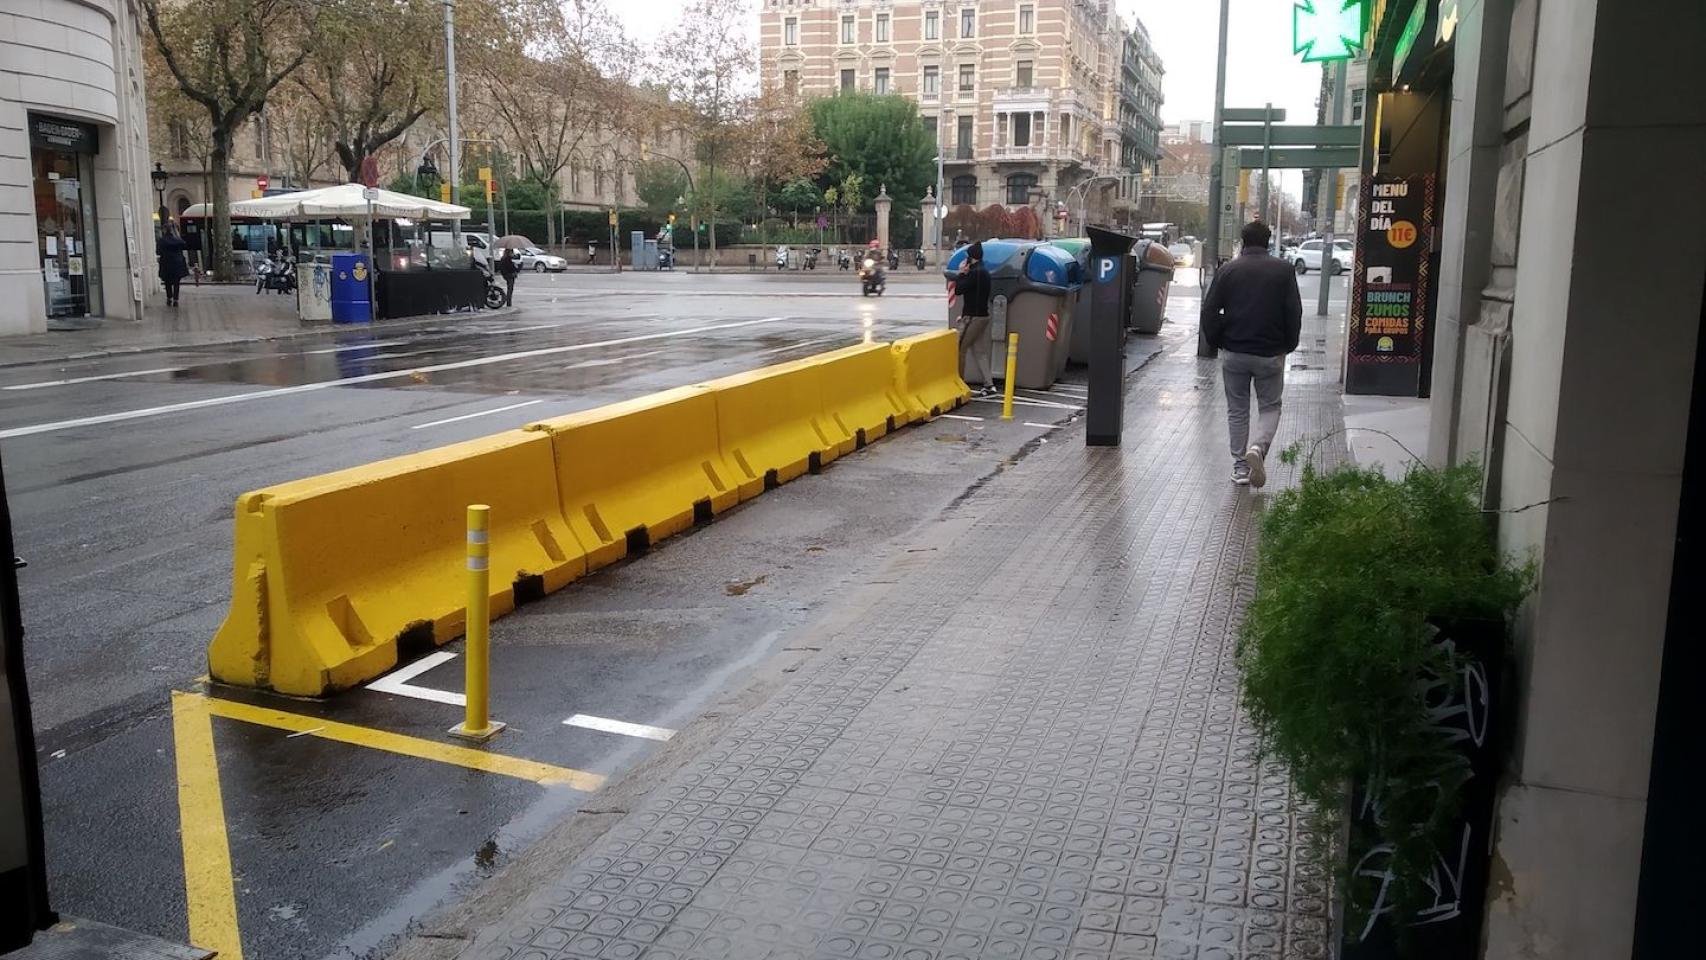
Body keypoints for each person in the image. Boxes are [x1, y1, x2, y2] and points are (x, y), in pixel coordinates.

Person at [1201, 220, 1302, 488]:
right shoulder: (1283, 270)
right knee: (1270, 406)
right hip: (1270, 353)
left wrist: (1218, 341)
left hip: (1235, 351)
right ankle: (1258, 448)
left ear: (1243, 242)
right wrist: (1288, 344)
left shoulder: (1228, 270)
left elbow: (1209, 311)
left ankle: (1240, 468)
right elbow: (1294, 311)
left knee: (1237, 409)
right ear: (1268, 241)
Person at [953, 241, 994, 395]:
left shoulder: (974, 273)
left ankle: (959, 382)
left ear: (971, 258)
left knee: (960, 349)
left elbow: (958, 290)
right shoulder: (984, 271)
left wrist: (961, 273)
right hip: (983, 316)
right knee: (979, 350)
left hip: (973, 317)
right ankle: (989, 384)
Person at [156, 223, 189, 307]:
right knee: (176, 282)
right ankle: (176, 299)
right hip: (177, 264)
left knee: (167, 282)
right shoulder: (178, 240)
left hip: (166, 263)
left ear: (164, 230)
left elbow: (158, 252)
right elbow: (184, 244)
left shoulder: (162, 240)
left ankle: (169, 297)